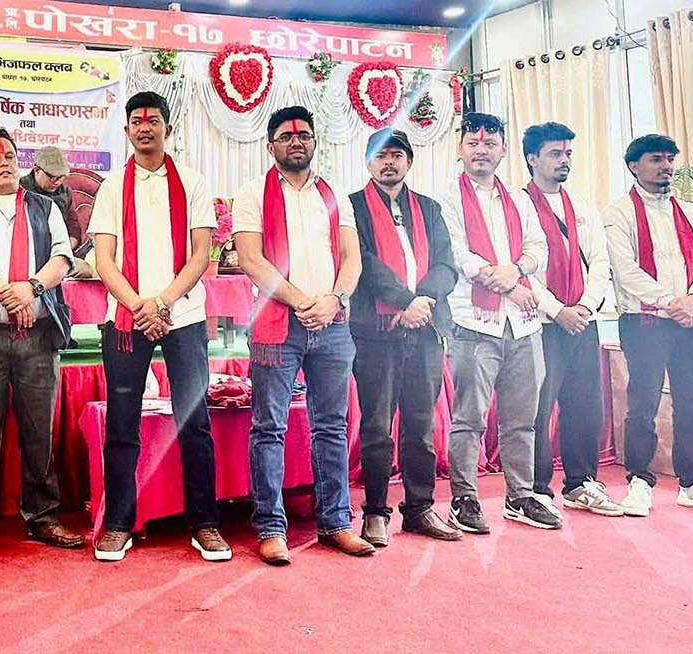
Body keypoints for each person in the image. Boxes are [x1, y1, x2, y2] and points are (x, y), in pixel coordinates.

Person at [90, 91, 230, 563]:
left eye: (153, 121)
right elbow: (104, 260)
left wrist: (163, 303)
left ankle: (204, 523)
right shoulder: (113, 187)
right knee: (122, 424)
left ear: (168, 128)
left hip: (183, 316)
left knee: (195, 420)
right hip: (126, 318)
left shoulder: (192, 182)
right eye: (136, 121)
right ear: (127, 130)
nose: (144, 127)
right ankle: (118, 524)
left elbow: (201, 255)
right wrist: (139, 306)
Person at [233, 106, 371, 565]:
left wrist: (334, 300)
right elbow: (251, 259)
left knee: (331, 427)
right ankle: (271, 528)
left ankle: (336, 522)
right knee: (269, 427)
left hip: (333, 324)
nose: (297, 141)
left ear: (314, 142)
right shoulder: (252, 193)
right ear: (270, 145)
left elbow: (352, 258)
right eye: (287, 135)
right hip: (277, 324)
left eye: (304, 135)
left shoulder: (334, 195)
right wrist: (301, 302)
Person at [0, 127, 86, 556]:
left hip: (37, 337)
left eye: (9, 155)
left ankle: (43, 516)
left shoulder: (45, 207)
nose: (4, 163)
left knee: (39, 431)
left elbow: (62, 257)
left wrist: (32, 288)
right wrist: (11, 292)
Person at [602, 134, 693, 516]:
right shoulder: (619, 213)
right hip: (645, 321)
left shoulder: (690, 211)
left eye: (669, 159)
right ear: (634, 165)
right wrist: (671, 302)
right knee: (643, 405)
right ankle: (638, 482)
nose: (666, 166)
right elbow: (626, 271)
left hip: (691, 321)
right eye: (656, 159)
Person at [439, 112, 559, 532]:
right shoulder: (447, 199)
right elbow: (459, 256)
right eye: (473, 143)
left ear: (503, 150)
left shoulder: (519, 200)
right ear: (460, 148)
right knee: (469, 419)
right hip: (474, 324)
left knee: (522, 419)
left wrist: (517, 270)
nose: (481, 150)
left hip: (524, 324)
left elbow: (538, 248)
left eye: (490, 144)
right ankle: (463, 498)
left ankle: (520, 496)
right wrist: (510, 284)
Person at [348, 128, 463, 547]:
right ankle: (375, 512)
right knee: (377, 426)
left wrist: (424, 301)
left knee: (420, 424)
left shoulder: (429, 208)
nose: (389, 162)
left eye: (397, 155)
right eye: (381, 156)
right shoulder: (352, 208)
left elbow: (447, 265)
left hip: (425, 328)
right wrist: (405, 301)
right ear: (368, 162)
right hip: (376, 332)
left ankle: (419, 508)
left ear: (409, 162)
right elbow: (362, 263)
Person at [521, 122, 622, 517]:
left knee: (585, 405)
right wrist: (556, 310)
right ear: (532, 158)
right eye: (555, 154)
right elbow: (521, 267)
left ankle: (581, 482)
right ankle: (536, 489)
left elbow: (599, 261)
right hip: (541, 323)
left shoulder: (581, 205)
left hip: (582, 320)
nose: (564, 161)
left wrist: (585, 307)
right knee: (538, 409)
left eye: (567, 154)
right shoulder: (518, 205)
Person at [20, 145, 81, 250]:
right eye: (53, 177)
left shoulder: (65, 191)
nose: (57, 182)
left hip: (60, 250)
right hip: (28, 250)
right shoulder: (20, 190)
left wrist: (65, 250)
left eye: (61, 177)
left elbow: (74, 228)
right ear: (37, 170)